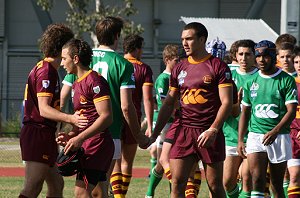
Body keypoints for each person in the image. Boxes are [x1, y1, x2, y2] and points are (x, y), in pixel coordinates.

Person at [150, 22, 233, 198]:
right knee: (177, 183)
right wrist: (154, 134)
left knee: (215, 185)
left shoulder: (218, 66)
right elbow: (169, 102)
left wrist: (213, 129)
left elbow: (227, 102)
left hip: (208, 132)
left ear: (202, 39)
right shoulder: (179, 67)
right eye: (183, 40)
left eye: (189, 39)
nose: (185, 43)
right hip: (184, 131)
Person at [19, 23, 88, 198]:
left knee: (57, 185)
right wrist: (71, 119)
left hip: (45, 133)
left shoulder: (49, 69)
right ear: (61, 47)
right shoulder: (46, 71)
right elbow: (44, 109)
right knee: (32, 187)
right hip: (37, 132)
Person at [89, 16, 150, 197]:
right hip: (110, 130)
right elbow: (126, 106)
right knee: (101, 185)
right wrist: (138, 134)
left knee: (86, 186)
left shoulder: (83, 58)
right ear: (117, 36)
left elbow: (66, 93)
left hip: (84, 129)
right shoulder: (123, 64)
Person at [238, 40, 298, 198]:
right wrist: (240, 139)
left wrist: (275, 131)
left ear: (273, 56)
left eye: (265, 56)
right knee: (256, 179)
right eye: (258, 56)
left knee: (276, 184)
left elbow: (291, 111)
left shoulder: (286, 80)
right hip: (255, 135)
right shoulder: (251, 81)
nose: (260, 60)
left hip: (279, 136)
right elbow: (245, 112)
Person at [57, 38, 114, 197]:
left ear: (75, 59)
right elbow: (85, 118)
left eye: (64, 58)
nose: (62, 63)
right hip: (88, 142)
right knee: (98, 193)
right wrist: (71, 135)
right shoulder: (76, 83)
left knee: (81, 193)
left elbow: (107, 117)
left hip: (97, 144)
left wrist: (79, 138)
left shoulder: (94, 80)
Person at [111, 34, 154, 197]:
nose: (142, 51)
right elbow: (148, 98)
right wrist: (149, 125)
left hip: (114, 115)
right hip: (132, 118)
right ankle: (121, 195)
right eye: (141, 48)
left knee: (115, 158)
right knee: (127, 161)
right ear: (136, 49)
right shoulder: (144, 69)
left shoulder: (116, 63)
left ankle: (117, 195)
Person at [223, 39, 257, 198]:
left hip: (253, 136)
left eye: (248, 54)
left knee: (246, 177)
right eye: (241, 54)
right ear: (235, 56)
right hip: (231, 135)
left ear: (254, 55)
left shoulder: (260, 76)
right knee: (227, 182)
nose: (244, 58)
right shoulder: (227, 74)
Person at [146, 44, 179, 198]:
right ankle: (171, 191)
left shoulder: (176, 78)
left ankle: (149, 193)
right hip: (167, 124)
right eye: (176, 60)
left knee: (162, 163)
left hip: (174, 123)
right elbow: (167, 104)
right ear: (167, 60)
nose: (179, 63)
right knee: (167, 162)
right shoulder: (163, 79)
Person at [287, 46, 300, 198]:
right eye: (296, 61)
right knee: (294, 176)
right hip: (292, 137)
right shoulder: (289, 83)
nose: (299, 65)